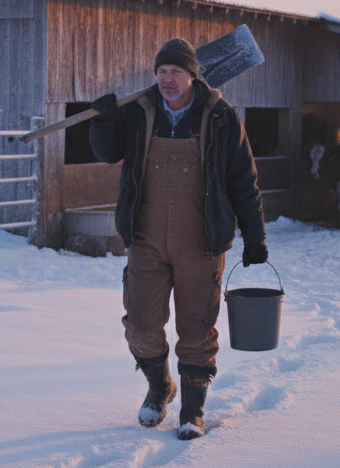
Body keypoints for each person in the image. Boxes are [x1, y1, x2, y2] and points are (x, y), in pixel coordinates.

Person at [88, 37, 267, 440]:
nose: (168, 80)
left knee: (197, 328)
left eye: (177, 72)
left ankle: (192, 410)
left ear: (193, 76)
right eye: (162, 72)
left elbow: (244, 181)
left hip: (201, 243)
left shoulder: (221, 118)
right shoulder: (138, 113)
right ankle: (159, 387)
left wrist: (254, 235)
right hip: (146, 239)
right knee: (140, 325)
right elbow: (107, 153)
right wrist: (102, 122)